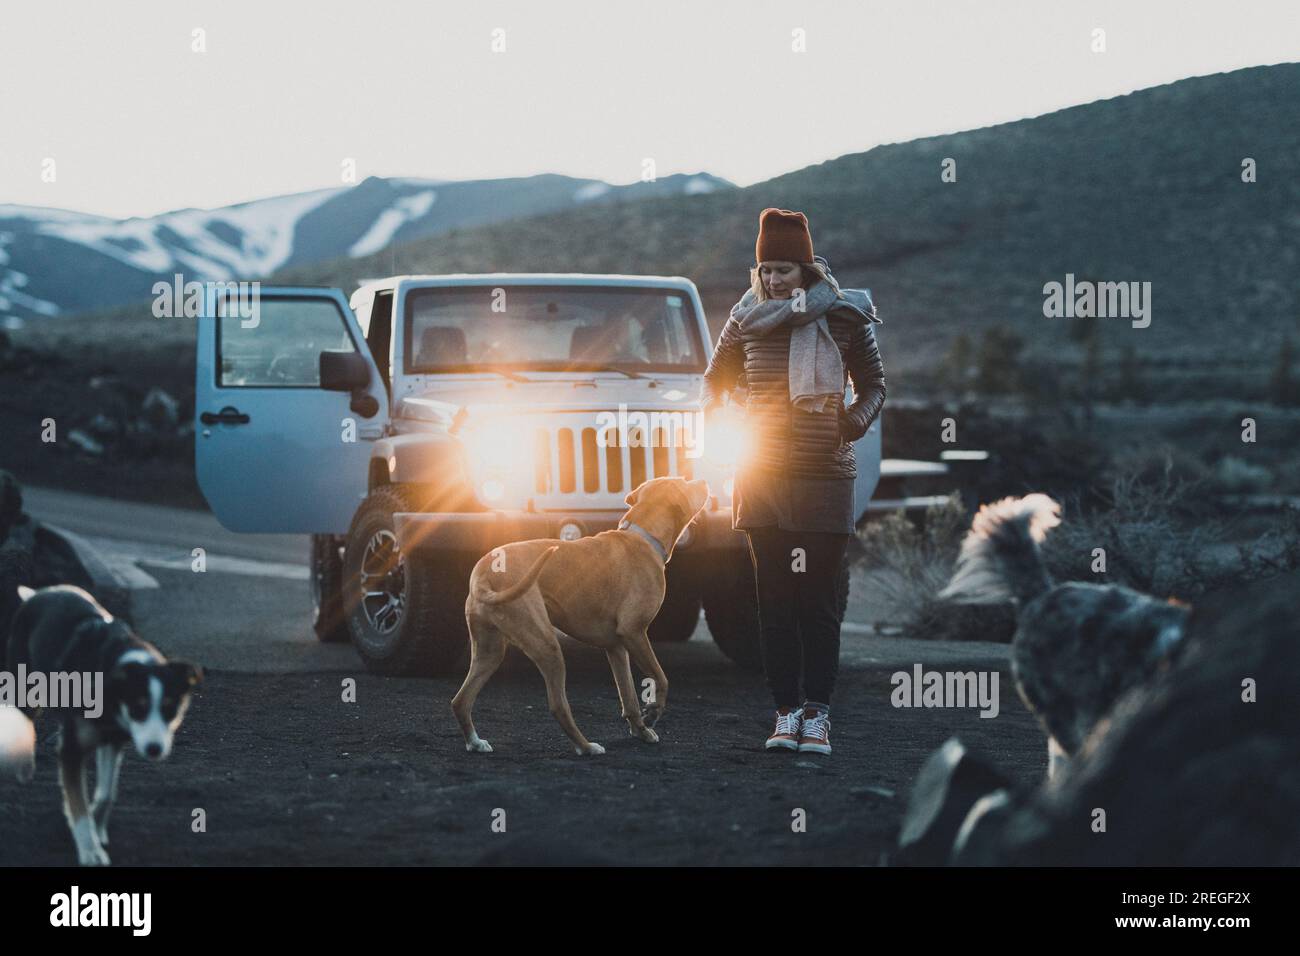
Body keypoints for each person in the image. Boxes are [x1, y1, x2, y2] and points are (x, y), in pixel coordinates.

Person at [699, 207, 886, 755]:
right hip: (760, 478)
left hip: (825, 477)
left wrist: (848, 425)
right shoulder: (745, 319)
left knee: (819, 605)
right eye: (766, 270)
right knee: (774, 603)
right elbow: (713, 383)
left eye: (784, 269)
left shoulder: (846, 315)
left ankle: (819, 714)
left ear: (805, 269)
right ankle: (784, 714)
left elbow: (875, 384)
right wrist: (730, 418)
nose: (774, 280)